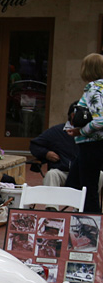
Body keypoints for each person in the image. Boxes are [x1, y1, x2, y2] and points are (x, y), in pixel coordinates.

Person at [64, 53, 103, 212]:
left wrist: (81, 131)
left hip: (92, 144)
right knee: (73, 183)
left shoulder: (94, 89)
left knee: (88, 189)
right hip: (91, 145)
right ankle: (79, 218)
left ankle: (91, 228)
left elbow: (100, 120)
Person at [29, 102, 80, 186]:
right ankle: (50, 199)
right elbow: (34, 145)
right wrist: (46, 154)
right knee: (51, 174)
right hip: (62, 172)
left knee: (99, 174)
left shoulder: (91, 133)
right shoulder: (56, 131)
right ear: (73, 116)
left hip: (82, 174)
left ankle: (89, 199)